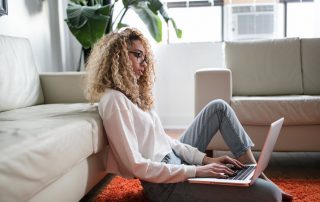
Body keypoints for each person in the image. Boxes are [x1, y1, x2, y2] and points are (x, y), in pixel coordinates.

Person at [85, 27, 292, 202]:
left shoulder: (134, 95)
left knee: (219, 107)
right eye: (137, 55)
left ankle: (257, 175)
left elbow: (165, 141)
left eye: (145, 57)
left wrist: (204, 161)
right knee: (271, 196)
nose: (144, 64)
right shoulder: (113, 100)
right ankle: (261, 183)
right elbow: (136, 165)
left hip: (176, 162)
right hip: (163, 185)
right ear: (118, 56)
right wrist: (196, 171)